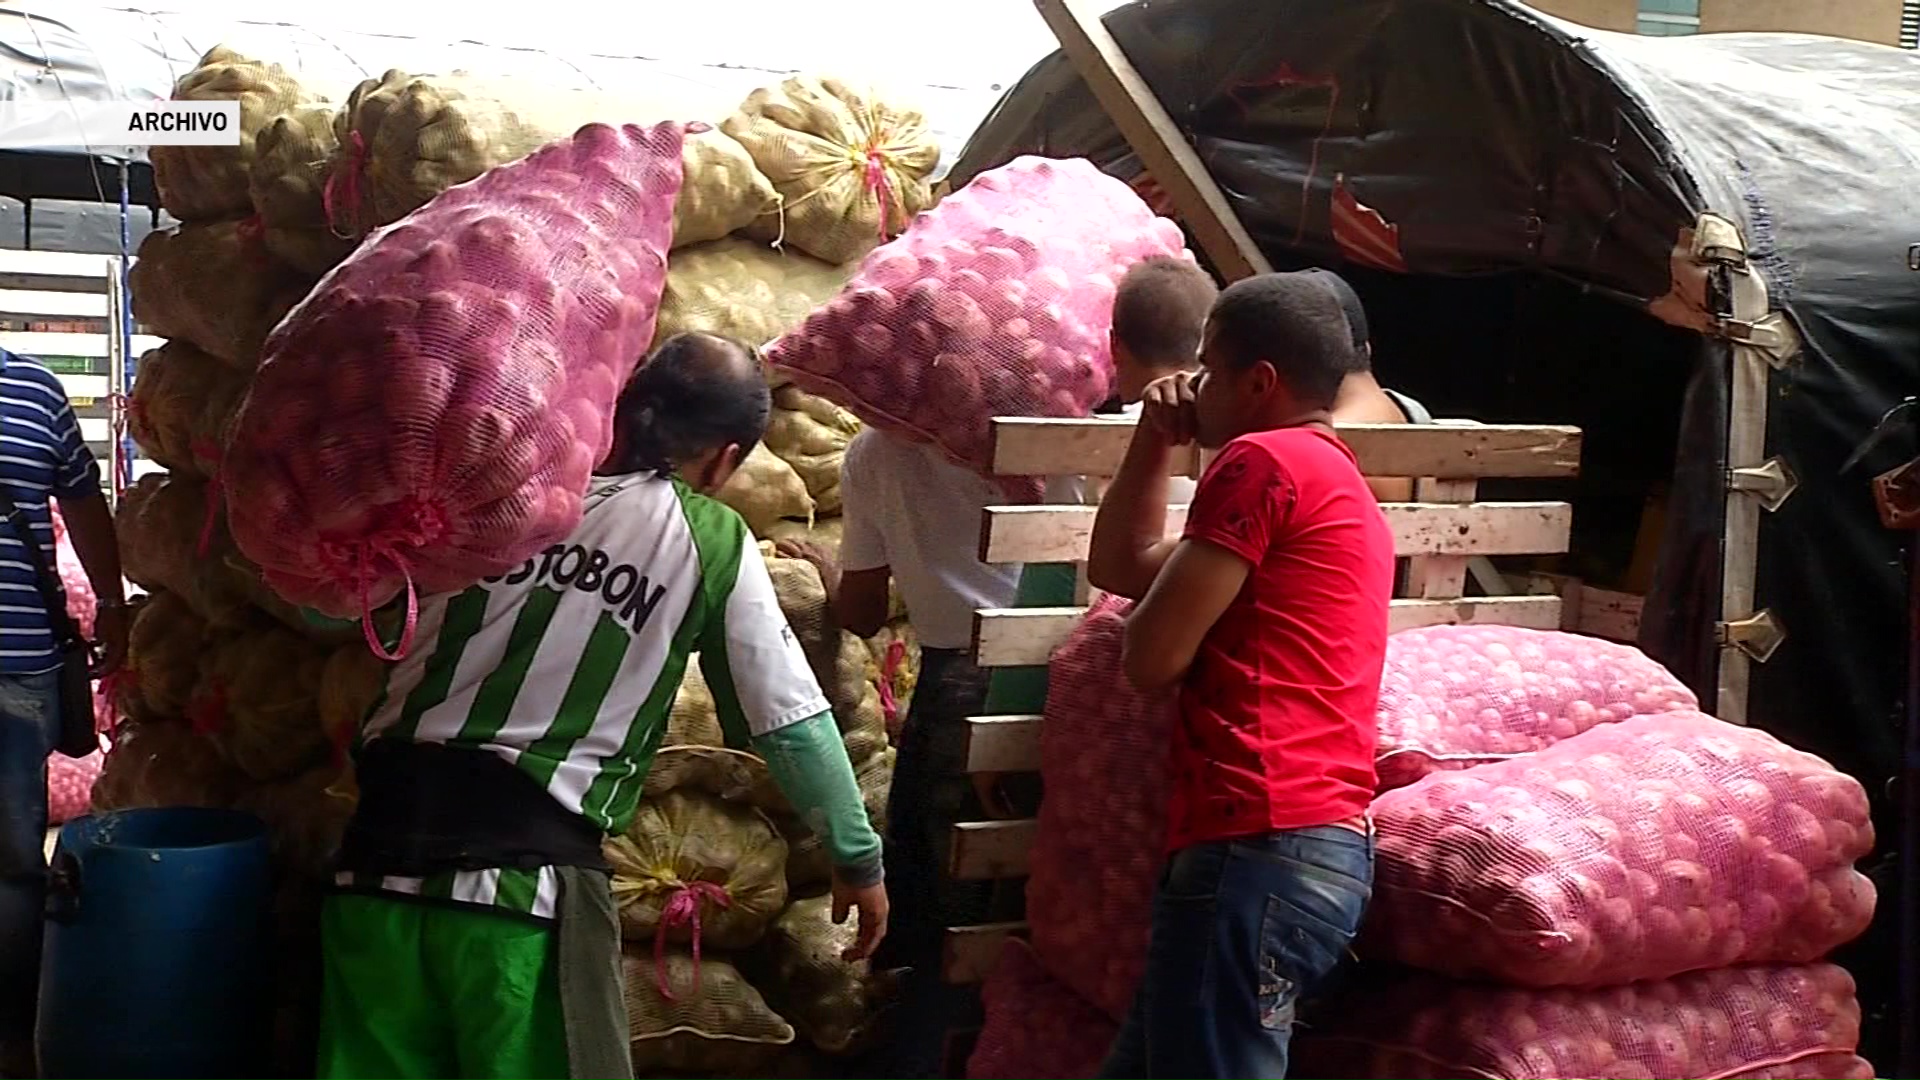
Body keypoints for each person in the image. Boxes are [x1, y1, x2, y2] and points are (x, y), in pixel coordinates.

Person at [314, 333, 888, 1080]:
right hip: (520, 896)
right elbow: (788, 719)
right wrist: (856, 856)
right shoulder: (707, 537)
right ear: (726, 458)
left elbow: (337, 608)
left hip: (371, 872)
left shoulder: (498, 491)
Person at [1085, 275, 1395, 1080]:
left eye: (1210, 368)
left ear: (1261, 383)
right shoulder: (1334, 480)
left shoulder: (1263, 461)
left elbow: (1149, 658)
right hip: (1307, 854)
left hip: (1255, 846)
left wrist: (1169, 618)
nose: (1192, 385)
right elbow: (1121, 566)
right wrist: (1156, 435)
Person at [777, 415, 1025, 1080]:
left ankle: (912, 1054)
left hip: (951, 689)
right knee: (991, 913)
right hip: (1040, 680)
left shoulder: (873, 455)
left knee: (934, 915)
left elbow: (859, 612)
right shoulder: (1033, 438)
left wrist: (831, 574)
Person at [0, 349, 128, 1078]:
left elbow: (84, 503)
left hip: (14, 671)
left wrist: (112, 606)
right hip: (18, 675)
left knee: (12, 866)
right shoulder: (32, 390)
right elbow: (81, 504)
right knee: (10, 864)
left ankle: (15, 1041)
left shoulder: (37, 391)